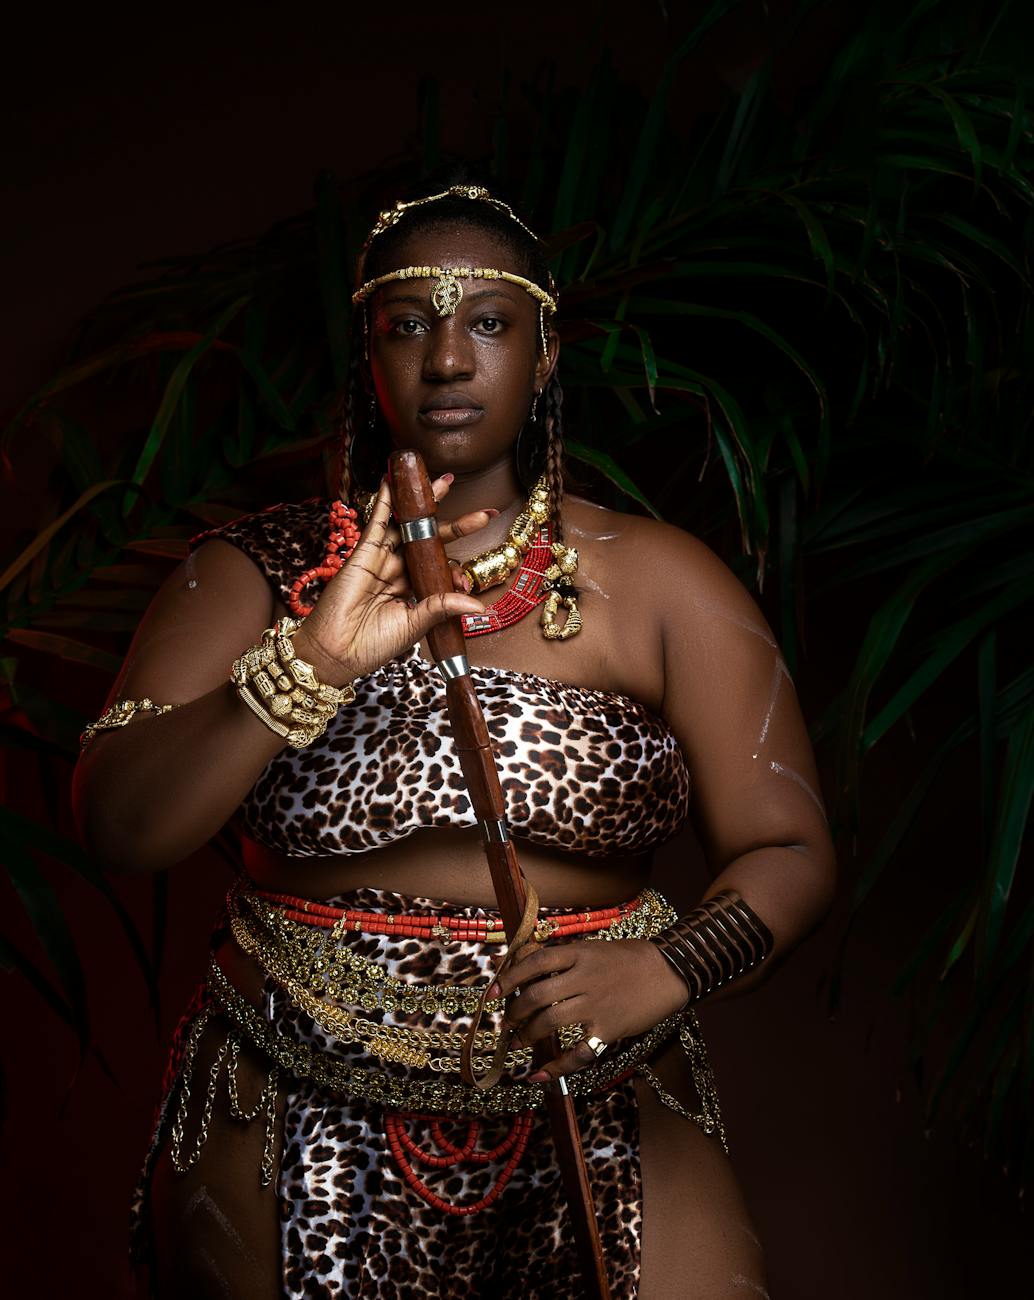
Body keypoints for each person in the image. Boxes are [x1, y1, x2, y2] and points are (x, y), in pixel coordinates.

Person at [74, 181, 836, 1299]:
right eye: (407, 325)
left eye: (487, 322)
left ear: (544, 351)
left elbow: (791, 849)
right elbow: (114, 821)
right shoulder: (246, 575)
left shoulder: (663, 582)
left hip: (597, 1082)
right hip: (290, 1079)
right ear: (366, 353)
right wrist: (307, 665)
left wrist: (663, 969)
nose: (445, 358)